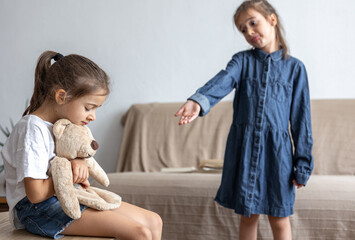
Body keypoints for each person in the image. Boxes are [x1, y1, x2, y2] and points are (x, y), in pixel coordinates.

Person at [175, 1, 313, 239]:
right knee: (248, 216)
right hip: (246, 152)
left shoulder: (295, 69)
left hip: (278, 155)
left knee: (279, 217)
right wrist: (198, 101)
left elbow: (302, 121)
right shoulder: (241, 62)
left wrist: (303, 164)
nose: (249, 32)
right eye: (242, 29)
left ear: (272, 19)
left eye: (252, 23)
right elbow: (223, 80)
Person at [1, 51, 163, 240]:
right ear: (61, 96)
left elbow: (69, 156)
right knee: (139, 232)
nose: (92, 116)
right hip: (35, 209)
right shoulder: (32, 129)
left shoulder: (66, 126)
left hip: (69, 196)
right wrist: (70, 172)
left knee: (153, 221)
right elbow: (36, 194)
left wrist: (79, 161)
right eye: (88, 107)